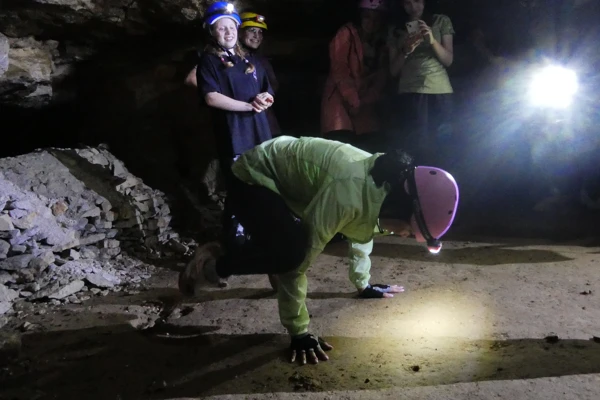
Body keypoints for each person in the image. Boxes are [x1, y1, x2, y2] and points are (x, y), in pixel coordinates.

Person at [179, 135, 460, 365]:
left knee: (288, 247)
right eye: (409, 230)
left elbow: (362, 230)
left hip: (291, 185)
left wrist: (363, 284)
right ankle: (212, 265)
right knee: (291, 254)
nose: (405, 236)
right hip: (254, 175)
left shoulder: (385, 186)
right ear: (401, 209)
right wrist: (299, 332)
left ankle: (263, 251)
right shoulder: (348, 194)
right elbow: (299, 264)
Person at [388, 0, 455, 164]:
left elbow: (448, 60)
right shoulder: (395, 29)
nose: (413, 7)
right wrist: (406, 51)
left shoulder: (440, 20)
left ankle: (443, 178)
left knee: (443, 145)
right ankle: (415, 178)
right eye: (407, 3)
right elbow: (393, 70)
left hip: (439, 89)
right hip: (410, 90)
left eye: (417, 1)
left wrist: (432, 40)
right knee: (416, 146)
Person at [321, 0, 389, 153]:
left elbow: (382, 75)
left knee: (367, 151)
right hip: (340, 104)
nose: (372, 22)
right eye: (367, 17)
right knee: (340, 150)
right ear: (360, 16)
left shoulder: (381, 41)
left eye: (376, 18)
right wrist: (353, 100)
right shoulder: (346, 33)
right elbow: (340, 68)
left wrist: (365, 101)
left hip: (365, 108)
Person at [238, 11, 282, 136]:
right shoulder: (230, 58)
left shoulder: (260, 60)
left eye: (260, 32)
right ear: (239, 32)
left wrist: (266, 96)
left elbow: (273, 83)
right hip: (241, 118)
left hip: (264, 117)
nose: (257, 36)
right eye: (252, 30)